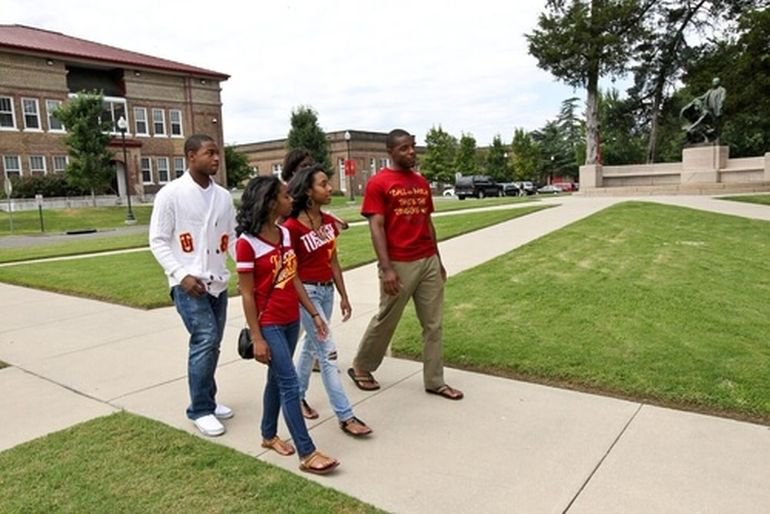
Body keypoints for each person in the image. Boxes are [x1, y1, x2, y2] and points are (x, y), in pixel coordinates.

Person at [348, 129, 463, 400]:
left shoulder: (421, 182)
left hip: (428, 260)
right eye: (404, 148)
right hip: (399, 263)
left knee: (433, 324)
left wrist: (438, 259)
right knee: (387, 318)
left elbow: (427, 222)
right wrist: (386, 268)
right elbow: (376, 227)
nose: (411, 152)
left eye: (412, 147)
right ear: (390, 152)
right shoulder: (379, 183)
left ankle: (435, 381)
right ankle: (362, 366)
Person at [235, 175, 339, 475]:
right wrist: (257, 337)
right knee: (290, 383)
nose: (290, 199)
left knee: (276, 380)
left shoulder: (284, 235)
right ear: (269, 203)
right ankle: (307, 453)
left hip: (291, 318)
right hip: (268, 323)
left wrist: (314, 314)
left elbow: (292, 277)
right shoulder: (247, 244)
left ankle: (268, 435)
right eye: (284, 195)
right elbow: (246, 294)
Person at [149, 134, 236, 437]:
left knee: (212, 343)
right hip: (188, 284)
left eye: (218, 153)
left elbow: (233, 237)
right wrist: (181, 275)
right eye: (209, 153)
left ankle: (208, 400)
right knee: (205, 338)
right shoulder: (171, 194)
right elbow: (158, 241)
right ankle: (199, 409)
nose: (216, 158)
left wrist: (250, 266)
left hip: (217, 283)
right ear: (190, 157)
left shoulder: (223, 196)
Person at [284, 165, 372, 436]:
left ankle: (297, 396)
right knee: (328, 352)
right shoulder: (291, 228)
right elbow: (292, 274)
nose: (330, 187)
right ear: (308, 191)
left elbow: (333, 260)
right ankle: (346, 416)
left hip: (327, 291)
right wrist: (311, 312)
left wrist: (344, 295)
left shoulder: (329, 223)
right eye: (323, 184)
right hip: (306, 294)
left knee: (311, 346)